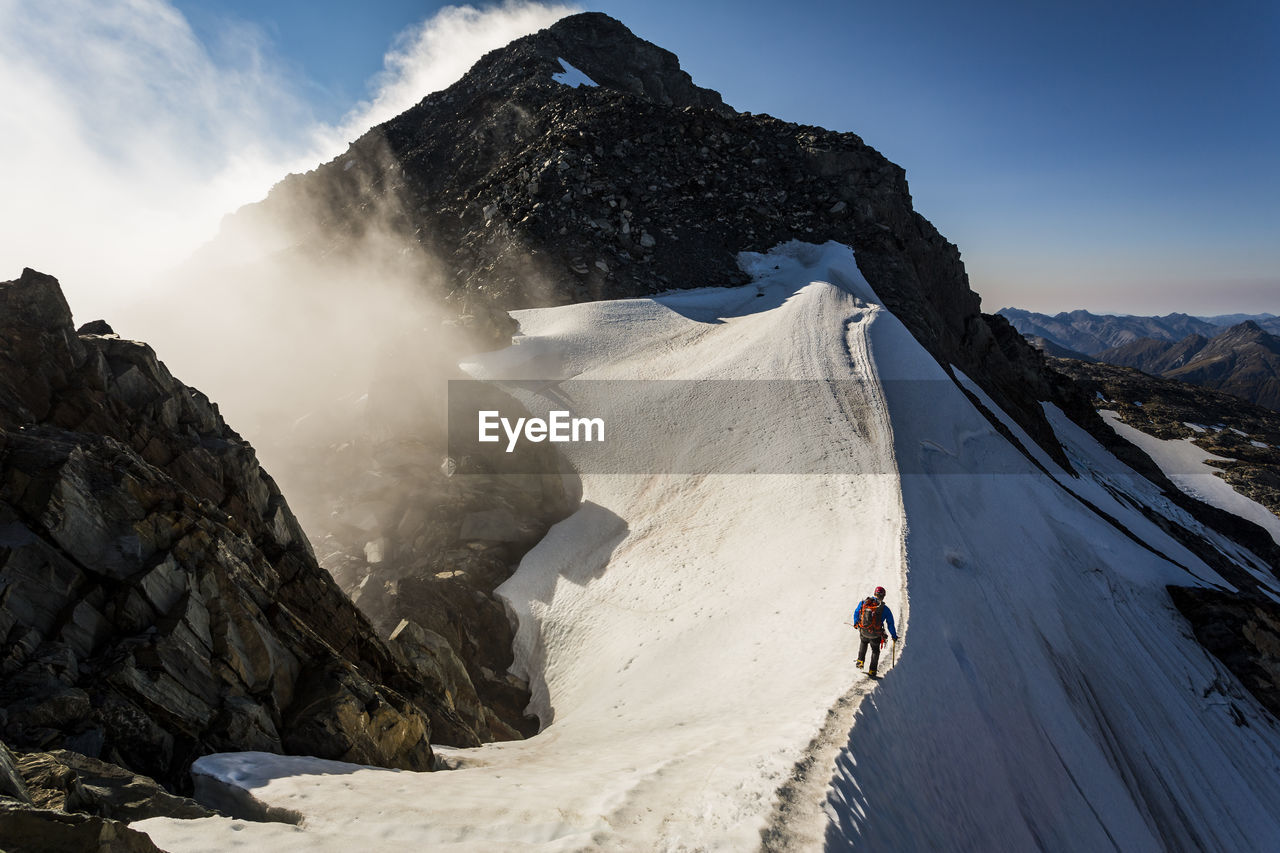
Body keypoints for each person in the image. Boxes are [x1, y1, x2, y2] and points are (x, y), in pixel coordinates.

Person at [853, 586, 898, 677]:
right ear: (883, 596)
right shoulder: (885, 609)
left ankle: (860, 661)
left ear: (874, 593)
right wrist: (894, 635)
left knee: (863, 642)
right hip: (876, 634)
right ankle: (872, 670)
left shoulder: (864, 603)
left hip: (864, 630)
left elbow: (856, 612)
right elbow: (890, 623)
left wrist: (856, 623)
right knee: (875, 651)